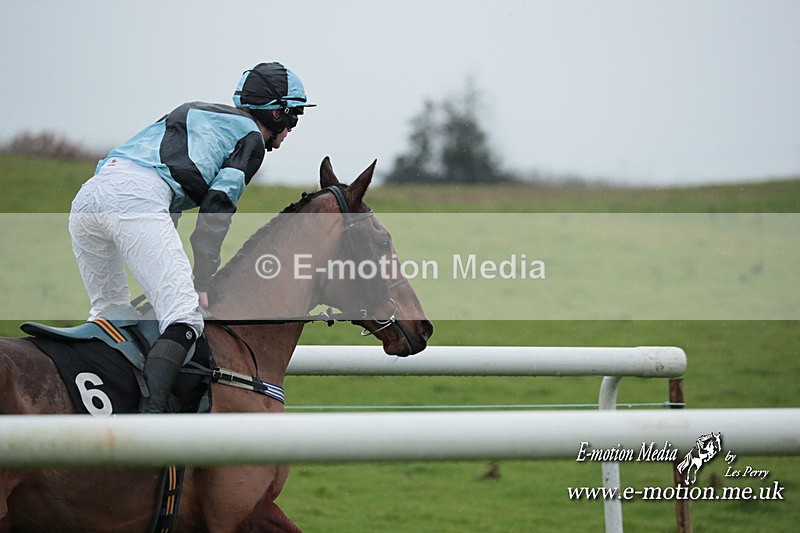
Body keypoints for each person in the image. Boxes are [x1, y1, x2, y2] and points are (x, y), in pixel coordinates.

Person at [68, 62, 314, 413]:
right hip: (135, 199)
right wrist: (202, 280)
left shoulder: (196, 112)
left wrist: (161, 280)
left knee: (112, 314)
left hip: (90, 197)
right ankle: (153, 422)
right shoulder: (251, 140)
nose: (291, 129)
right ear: (277, 113)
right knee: (185, 319)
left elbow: (165, 202)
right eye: (294, 118)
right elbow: (216, 209)